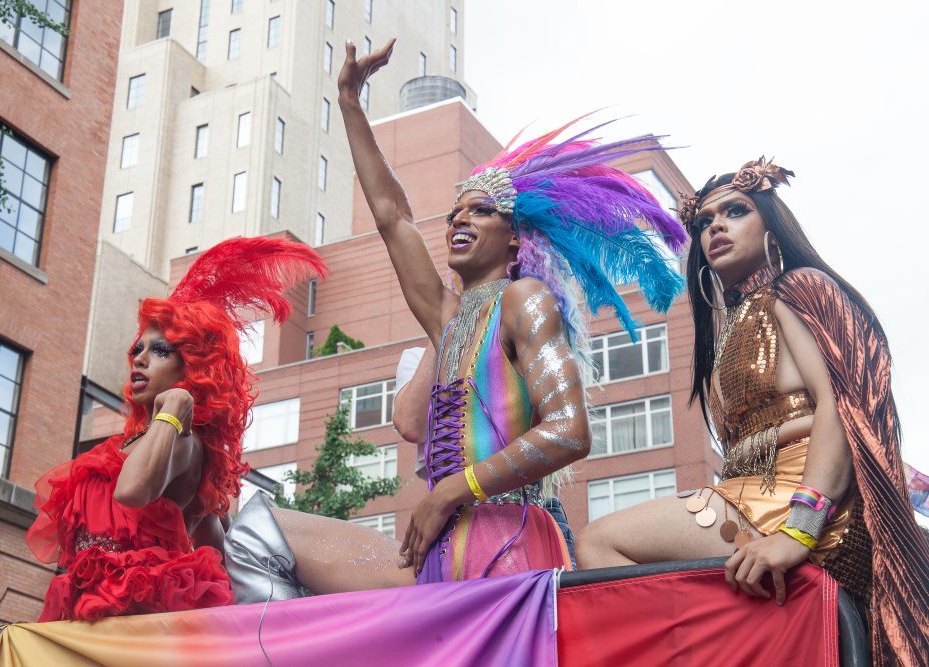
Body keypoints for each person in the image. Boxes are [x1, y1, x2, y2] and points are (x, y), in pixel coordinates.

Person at [223, 38, 685, 597]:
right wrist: (349, 103)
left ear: (515, 241)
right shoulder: (448, 317)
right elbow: (393, 217)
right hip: (443, 544)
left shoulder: (525, 299)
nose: (459, 221)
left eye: (482, 211)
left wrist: (449, 491)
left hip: (508, 538)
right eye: (455, 214)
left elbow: (569, 431)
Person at [574, 157, 928, 666]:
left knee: (601, 541)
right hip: (748, 498)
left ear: (772, 223)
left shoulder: (799, 288)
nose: (715, 226)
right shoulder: (731, 327)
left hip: (804, 506)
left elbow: (842, 406)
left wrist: (797, 532)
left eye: (735, 211)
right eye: (702, 223)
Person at [26, 237, 326, 621]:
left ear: (194, 367)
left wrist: (179, 403)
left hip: (141, 621)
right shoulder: (141, 441)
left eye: (161, 351)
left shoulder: (185, 441)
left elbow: (133, 491)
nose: (140, 359)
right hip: (84, 614)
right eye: (138, 349)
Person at [393, 346, 579, 567]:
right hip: (451, 520)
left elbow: (565, 430)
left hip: (526, 512)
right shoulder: (418, 356)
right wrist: (443, 335)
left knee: (547, 599)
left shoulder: (512, 338)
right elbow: (411, 426)